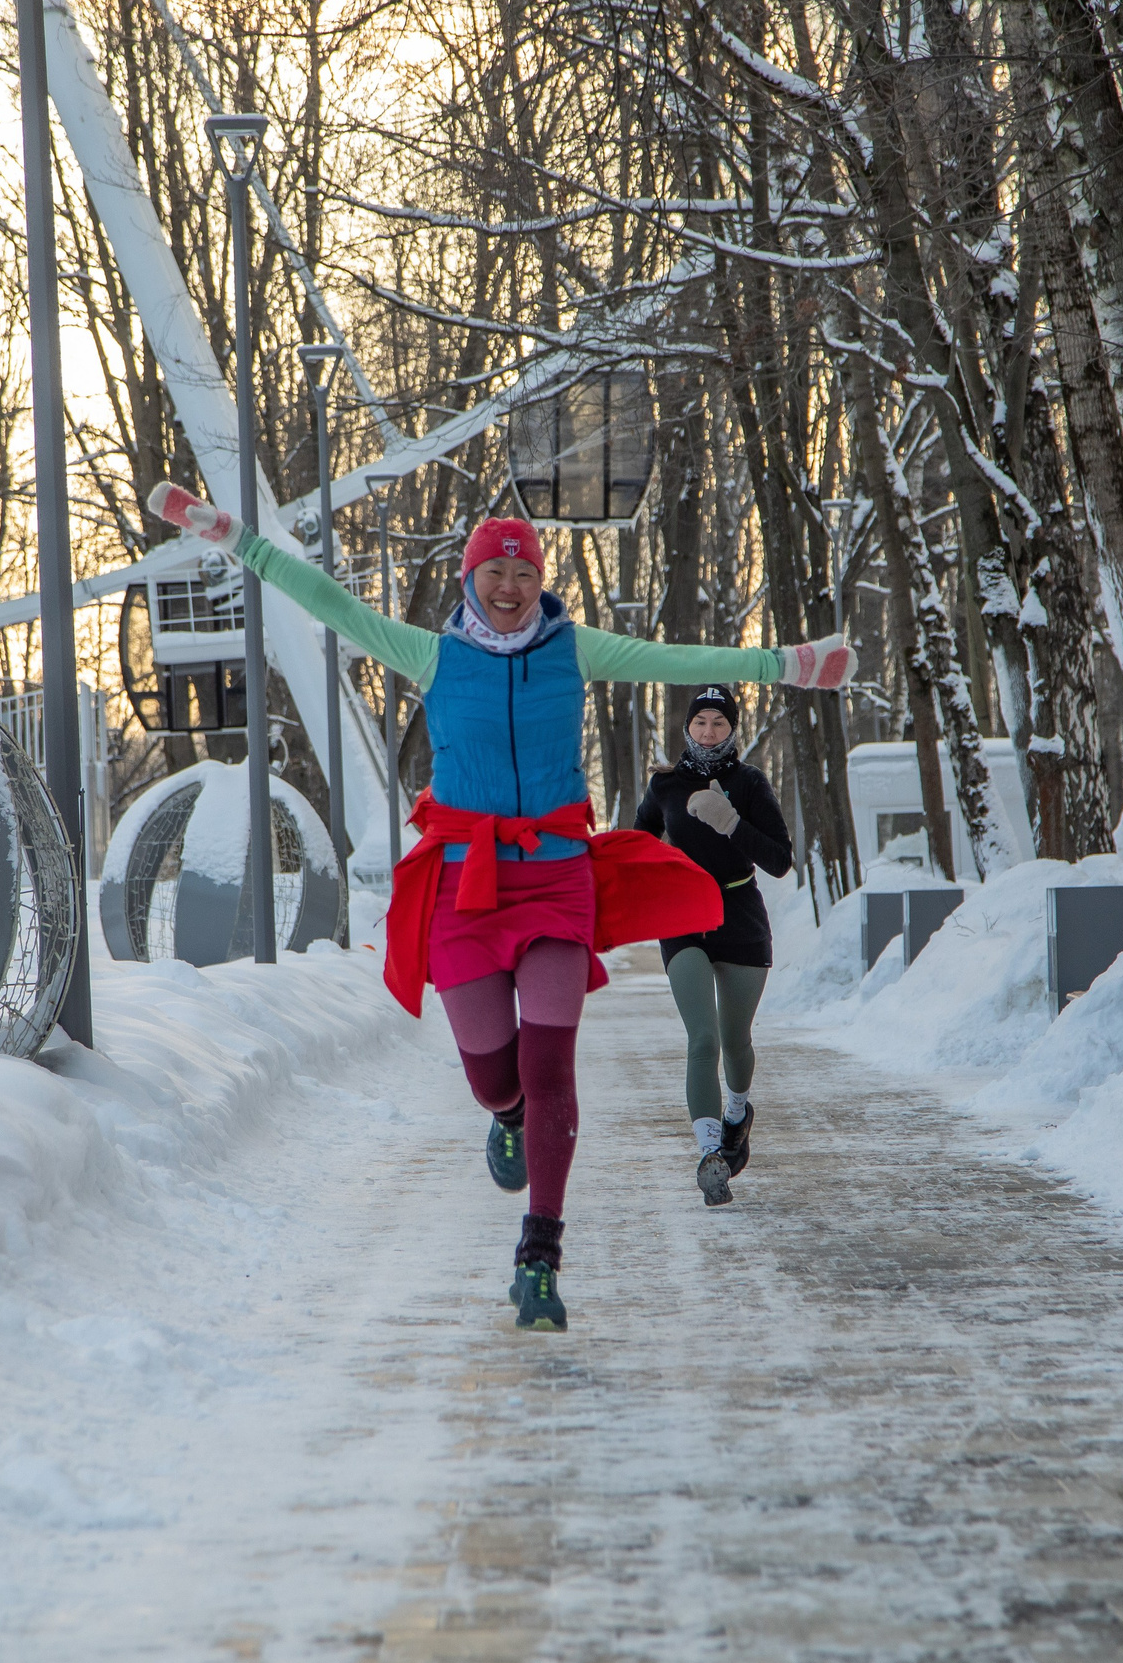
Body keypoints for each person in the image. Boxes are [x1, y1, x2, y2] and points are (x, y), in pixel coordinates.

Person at [148, 482, 854, 1331]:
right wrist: (233, 537)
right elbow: (325, 602)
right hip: (466, 887)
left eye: (524, 570)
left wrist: (789, 664)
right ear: (468, 577)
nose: (511, 585)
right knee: (495, 1076)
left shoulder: (573, 648)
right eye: (496, 570)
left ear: (541, 578)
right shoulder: (433, 654)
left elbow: (675, 656)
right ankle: (509, 1116)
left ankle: (541, 1256)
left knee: (552, 1066)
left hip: (557, 881)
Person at [635, 686, 790, 1207]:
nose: (708, 732)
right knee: (702, 1038)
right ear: (686, 728)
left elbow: (779, 860)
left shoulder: (749, 783)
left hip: (740, 916)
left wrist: (729, 822)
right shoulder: (665, 785)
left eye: (719, 724)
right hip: (684, 919)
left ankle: (737, 1112)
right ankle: (710, 1156)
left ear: (732, 730)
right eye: (700, 722)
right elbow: (638, 846)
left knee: (734, 1039)